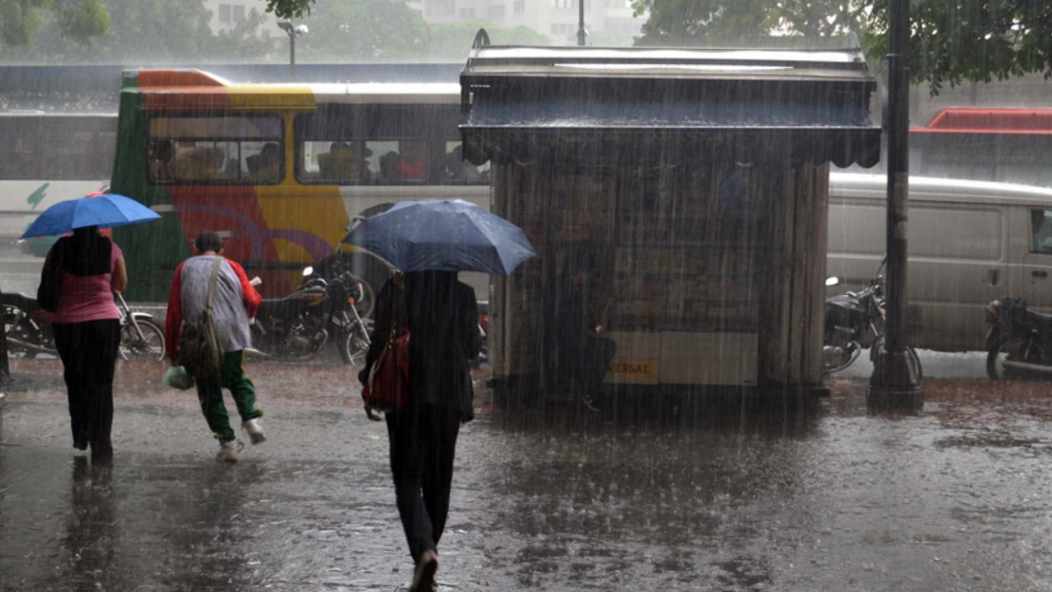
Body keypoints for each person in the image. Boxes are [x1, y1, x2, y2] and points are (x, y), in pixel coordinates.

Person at [359, 271, 480, 592]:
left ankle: (423, 550)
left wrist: (367, 376)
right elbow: (472, 346)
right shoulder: (463, 294)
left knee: (407, 478)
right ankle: (428, 554)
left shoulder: (396, 288)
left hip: (405, 389)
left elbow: (380, 337)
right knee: (439, 481)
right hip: (449, 395)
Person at [165, 232, 265, 463]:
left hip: (199, 339)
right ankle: (250, 419)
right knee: (236, 378)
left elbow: (174, 311)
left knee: (209, 390)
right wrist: (246, 313)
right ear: (221, 249)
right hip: (231, 335)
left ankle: (228, 443)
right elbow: (252, 300)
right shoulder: (233, 266)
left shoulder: (183, 268)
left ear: (195, 247)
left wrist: (172, 351)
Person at [42, 226, 127, 463]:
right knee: (102, 383)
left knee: (76, 379)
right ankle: (102, 441)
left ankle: (81, 435)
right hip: (104, 323)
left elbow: (49, 283)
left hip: (68, 325)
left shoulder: (60, 248)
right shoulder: (111, 248)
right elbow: (120, 285)